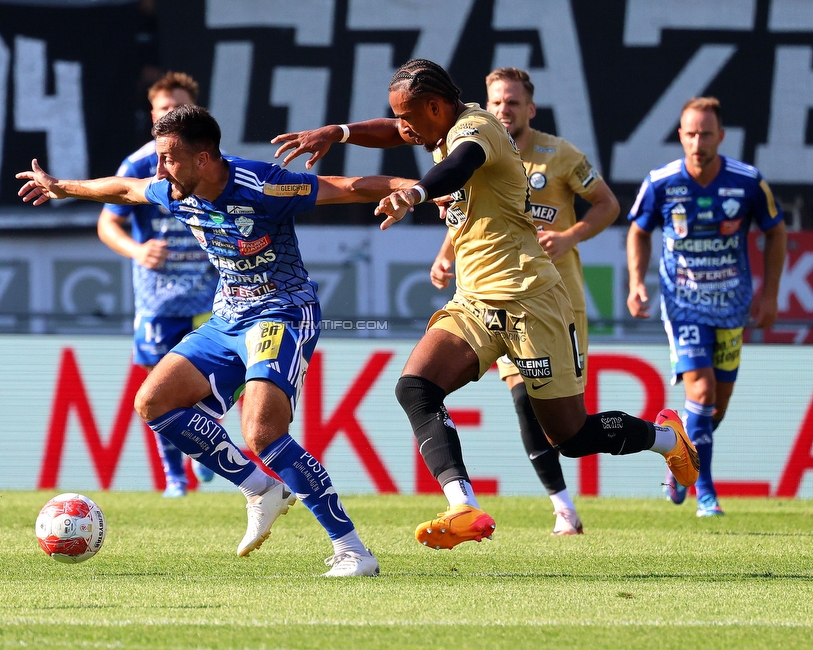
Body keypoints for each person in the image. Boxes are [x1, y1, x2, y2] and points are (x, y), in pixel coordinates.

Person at [273, 58, 698, 551]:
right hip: (474, 302)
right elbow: (393, 131)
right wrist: (339, 131)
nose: (404, 128)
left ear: (436, 106)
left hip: (530, 301)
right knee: (415, 387)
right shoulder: (436, 121)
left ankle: (667, 438)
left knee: (571, 437)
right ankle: (464, 506)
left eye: (409, 116)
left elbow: (460, 165)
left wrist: (414, 191)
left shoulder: (478, 129)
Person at [19, 104, 415, 576]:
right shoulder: (174, 190)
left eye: (169, 157)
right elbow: (124, 189)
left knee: (262, 432)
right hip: (227, 318)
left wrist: (413, 190)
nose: (160, 169)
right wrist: (63, 188)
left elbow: (346, 188)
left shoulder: (263, 185)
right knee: (153, 401)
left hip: (282, 312)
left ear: (205, 158)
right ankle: (259, 486)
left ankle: (353, 551)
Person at [426, 68, 620, 535]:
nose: (503, 110)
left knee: (567, 429)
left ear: (530, 109)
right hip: (494, 299)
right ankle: (562, 506)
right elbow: (472, 213)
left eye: (512, 102)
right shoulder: (471, 145)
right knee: (521, 403)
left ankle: (657, 441)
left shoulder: (561, 156)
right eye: (496, 101)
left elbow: (608, 205)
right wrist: (444, 255)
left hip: (555, 302)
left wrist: (570, 236)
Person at [627, 97, 786, 517]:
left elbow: (776, 231)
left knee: (717, 407)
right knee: (702, 390)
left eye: (706, 133)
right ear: (680, 135)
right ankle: (706, 492)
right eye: (691, 133)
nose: (698, 142)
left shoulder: (748, 182)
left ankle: (679, 451)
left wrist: (770, 293)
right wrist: (636, 282)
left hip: (732, 305)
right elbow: (639, 230)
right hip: (683, 304)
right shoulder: (661, 182)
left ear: (721, 136)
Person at [97, 71, 217, 498]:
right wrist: (136, 250)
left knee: (208, 388)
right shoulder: (139, 165)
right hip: (157, 299)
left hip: (208, 296)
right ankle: (175, 479)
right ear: (153, 114)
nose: (171, 115)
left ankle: (205, 452)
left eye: (178, 108)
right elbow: (107, 223)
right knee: (156, 390)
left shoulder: (209, 160)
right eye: (164, 109)